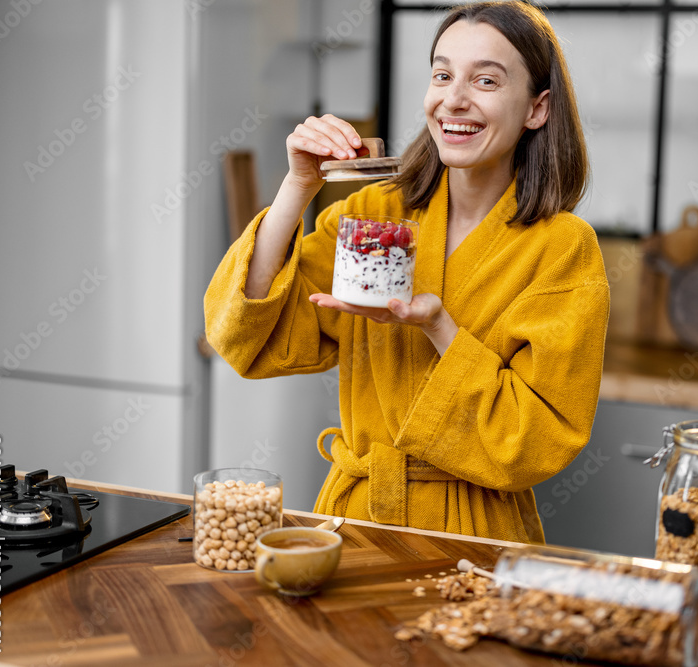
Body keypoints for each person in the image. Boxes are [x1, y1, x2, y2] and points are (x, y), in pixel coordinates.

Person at [204, 1, 609, 543]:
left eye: (486, 80)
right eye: (442, 74)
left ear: (538, 108)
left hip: (475, 537)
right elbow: (248, 337)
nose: (454, 99)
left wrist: (439, 327)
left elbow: (535, 440)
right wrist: (297, 186)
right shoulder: (374, 214)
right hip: (353, 522)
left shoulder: (562, 249)